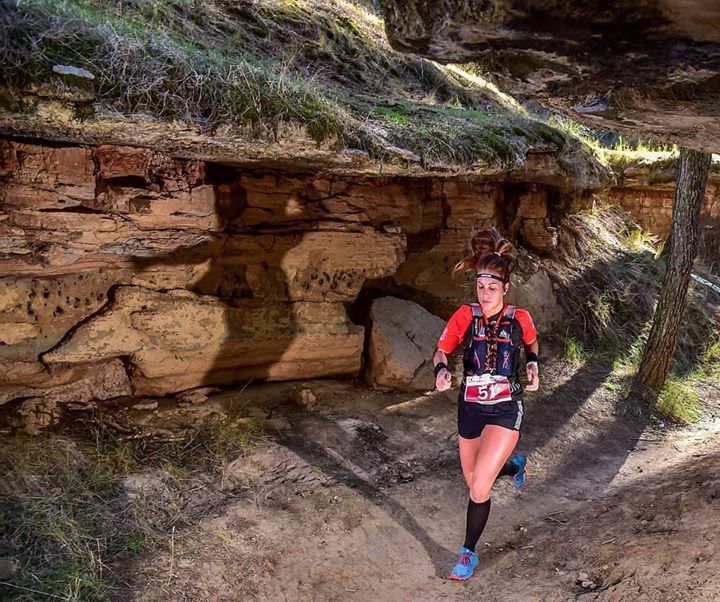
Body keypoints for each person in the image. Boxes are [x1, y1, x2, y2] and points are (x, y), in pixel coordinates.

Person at [433, 227, 539, 581]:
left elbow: (533, 346)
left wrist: (534, 365)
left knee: (479, 486)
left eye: (493, 287)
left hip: (506, 408)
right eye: (480, 286)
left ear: (505, 287)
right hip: (471, 408)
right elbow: (443, 348)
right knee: (477, 481)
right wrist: (441, 370)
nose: (486, 293)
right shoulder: (466, 315)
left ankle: (467, 554)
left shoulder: (519, 317)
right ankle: (514, 467)